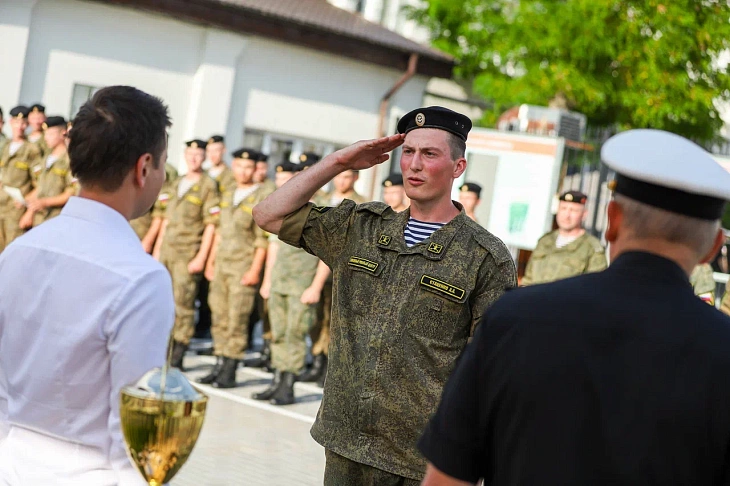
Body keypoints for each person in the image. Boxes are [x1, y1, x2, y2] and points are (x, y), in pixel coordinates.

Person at [417, 128, 730, 486]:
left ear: (612, 221)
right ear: (713, 247)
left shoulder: (514, 318)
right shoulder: (723, 350)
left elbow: (446, 479)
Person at [253, 106, 517, 484]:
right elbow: (268, 214)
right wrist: (339, 161)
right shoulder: (359, 228)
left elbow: (491, 372)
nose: (414, 165)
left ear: (458, 167)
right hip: (345, 445)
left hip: (420, 460)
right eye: (408, 152)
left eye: (430, 154)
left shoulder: (484, 258)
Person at [0, 85, 174, 484]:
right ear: (143, 167)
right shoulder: (140, 277)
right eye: (163, 164)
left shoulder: (18, 252)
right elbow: (135, 434)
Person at [255, 160, 330, 405]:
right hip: (280, 281)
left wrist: (316, 287)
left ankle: (287, 386)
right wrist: (267, 280)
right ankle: (277, 380)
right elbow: (274, 247)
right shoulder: (286, 209)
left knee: (294, 335)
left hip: (302, 285)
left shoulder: (322, 211)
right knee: (277, 333)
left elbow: (327, 255)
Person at [199, 148, 269, 388]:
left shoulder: (260, 197)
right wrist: (210, 262)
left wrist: (254, 271)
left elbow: (262, 240)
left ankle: (229, 369)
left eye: (248, 167)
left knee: (236, 318)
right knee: (218, 314)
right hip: (221, 265)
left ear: (255, 169)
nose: (243, 171)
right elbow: (218, 230)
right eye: (239, 166)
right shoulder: (228, 193)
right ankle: (218, 363)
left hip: (242, 266)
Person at [153, 139, 220, 370]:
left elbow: (211, 224)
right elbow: (164, 220)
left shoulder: (208, 185)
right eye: (190, 154)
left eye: (198, 154)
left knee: (183, 303)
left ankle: (178, 351)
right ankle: (162, 346)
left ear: (204, 158)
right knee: (162, 301)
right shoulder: (176, 183)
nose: (194, 158)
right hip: (167, 251)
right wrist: (156, 250)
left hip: (187, 252)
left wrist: (202, 257)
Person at [521, 190, 608, 285]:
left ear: (584, 214)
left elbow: (595, 288)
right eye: (563, 208)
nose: (567, 215)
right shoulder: (545, 241)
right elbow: (528, 279)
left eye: (573, 210)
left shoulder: (592, 248)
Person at [19, 116, 77, 229]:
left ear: (63, 133)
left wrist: (44, 202)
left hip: (55, 218)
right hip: (39, 218)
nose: (46, 138)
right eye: (45, 134)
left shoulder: (68, 160)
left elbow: (71, 192)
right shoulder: (46, 158)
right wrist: (26, 200)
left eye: (50, 134)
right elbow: (41, 186)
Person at [0, 106, 42, 252]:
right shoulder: (5, 146)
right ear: (11, 122)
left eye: (24, 123)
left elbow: (40, 183)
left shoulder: (32, 150)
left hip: (15, 210)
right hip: (1, 205)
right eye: (17, 122)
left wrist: (28, 206)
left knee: (10, 252)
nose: (20, 126)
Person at [129, 162, 178, 253]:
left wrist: (148, 242)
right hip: (123, 233)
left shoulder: (164, 171)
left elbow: (160, 215)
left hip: (141, 236)